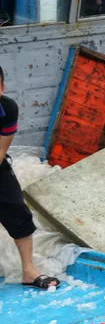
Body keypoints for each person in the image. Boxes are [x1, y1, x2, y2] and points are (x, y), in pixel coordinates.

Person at [0, 66, 60, 290]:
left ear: (2, 88)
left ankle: (28, 271)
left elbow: (1, 149)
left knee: (17, 211)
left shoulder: (7, 108)